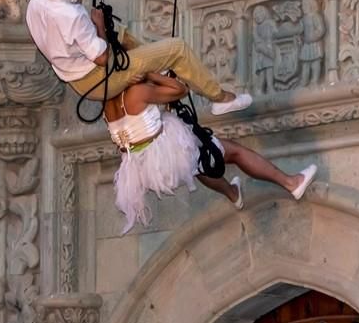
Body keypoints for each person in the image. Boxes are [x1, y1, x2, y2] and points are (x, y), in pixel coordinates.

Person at [26, 0, 252, 116]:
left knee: (120, 33)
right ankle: (220, 98)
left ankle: (159, 66)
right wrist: (100, 27)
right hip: (99, 78)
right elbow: (103, 58)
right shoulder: (72, 17)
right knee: (178, 48)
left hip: (74, 77)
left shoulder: (36, 3)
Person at [103, 72, 317, 234]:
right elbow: (179, 90)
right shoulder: (137, 92)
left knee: (195, 164)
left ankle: (233, 194)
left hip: (142, 168)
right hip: (166, 153)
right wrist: (152, 75)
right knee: (234, 152)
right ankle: (291, 183)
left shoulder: (108, 102)